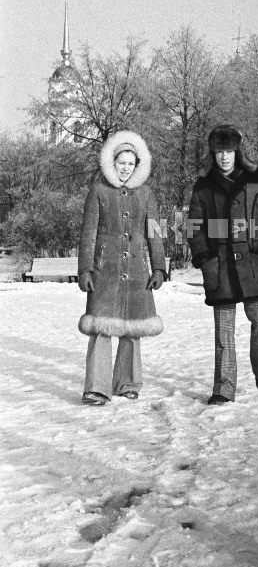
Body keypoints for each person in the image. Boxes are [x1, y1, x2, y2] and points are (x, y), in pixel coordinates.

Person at [188, 124, 258, 405]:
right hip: (220, 266)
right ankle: (224, 387)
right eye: (219, 152)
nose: (224, 157)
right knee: (223, 332)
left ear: (237, 152)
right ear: (213, 154)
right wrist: (205, 259)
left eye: (229, 151)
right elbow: (194, 227)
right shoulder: (203, 186)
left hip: (255, 263)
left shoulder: (257, 179)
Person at [78, 130, 166, 406]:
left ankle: (127, 382)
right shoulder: (99, 191)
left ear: (137, 165)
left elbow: (154, 232)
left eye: (131, 163)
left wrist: (159, 268)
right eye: (121, 163)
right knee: (102, 327)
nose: (126, 168)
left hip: (138, 269)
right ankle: (97, 387)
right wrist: (86, 270)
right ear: (111, 163)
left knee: (132, 328)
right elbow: (88, 233)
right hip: (105, 269)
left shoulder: (146, 193)